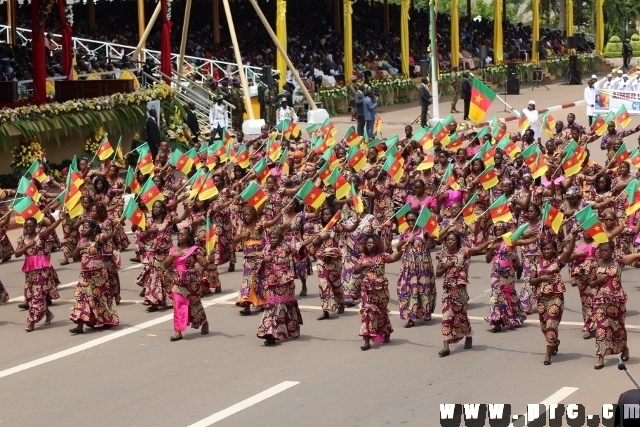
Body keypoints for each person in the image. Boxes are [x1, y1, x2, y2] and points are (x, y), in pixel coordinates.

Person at [436, 231, 493, 356]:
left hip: (460, 290)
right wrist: (446, 266)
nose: (450, 242)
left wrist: (488, 242)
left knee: (460, 316)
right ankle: (446, 347)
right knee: (446, 317)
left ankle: (468, 335)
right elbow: (438, 273)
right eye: (448, 240)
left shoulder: (464, 252)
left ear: (457, 241)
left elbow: (477, 248)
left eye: (452, 240)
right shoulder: (442, 255)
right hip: (447, 290)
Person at [588, 242, 640, 369]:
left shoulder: (618, 261)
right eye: (601, 250)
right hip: (601, 301)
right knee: (601, 328)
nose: (603, 253)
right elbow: (591, 283)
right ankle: (601, 357)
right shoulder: (595, 264)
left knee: (618, 328)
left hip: (617, 301)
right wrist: (599, 280)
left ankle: (624, 348)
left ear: (612, 250)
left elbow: (634, 257)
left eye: (606, 250)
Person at [529, 234, 577, 365]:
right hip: (542, 299)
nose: (546, 251)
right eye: (544, 249)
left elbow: (569, 251)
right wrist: (542, 278)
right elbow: (531, 280)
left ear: (554, 250)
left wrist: (573, 238)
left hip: (556, 298)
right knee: (544, 327)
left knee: (551, 325)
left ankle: (547, 355)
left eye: (549, 249)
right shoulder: (537, 263)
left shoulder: (558, 262)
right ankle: (554, 342)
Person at [354, 234, 405, 350]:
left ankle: (385, 331)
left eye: (371, 243)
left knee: (381, 313)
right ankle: (366, 341)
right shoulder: (363, 258)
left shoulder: (382, 256)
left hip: (381, 290)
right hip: (367, 290)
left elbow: (394, 258)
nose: (369, 244)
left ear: (376, 244)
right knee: (367, 312)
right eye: (367, 243)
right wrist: (364, 265)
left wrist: (401, 251)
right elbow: (355, 271)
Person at [69, 219, 119, 334]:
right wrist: (79, 248)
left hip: (98, 274)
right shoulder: (81, 240)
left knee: (100, 298)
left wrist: (115, 229)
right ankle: (79, 326)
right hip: (85, 275)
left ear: (93, 229)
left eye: (87, 227)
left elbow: (107, 236)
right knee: (82, 297)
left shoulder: (99, 237)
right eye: (83, 227)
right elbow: (75, 258)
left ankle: (106, 320)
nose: (84, 229)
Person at [257, 226, 304, 345]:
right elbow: (259, 263)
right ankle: (270, 332)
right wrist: (264, 261)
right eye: (271, 237)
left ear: (281, 238)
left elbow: (299, 251)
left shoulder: (286, 248)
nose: (272, 239)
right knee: (271, 306)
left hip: (284, 281)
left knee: (285, 305)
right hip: (270, 281)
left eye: (275, 237)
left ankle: (291, 329)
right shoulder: (266, 248)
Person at [164, 226, 212, 341]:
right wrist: (172, 256)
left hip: (192, 282)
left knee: (195, 305)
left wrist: (209, 259)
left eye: (183, 234)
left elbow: (203, 263)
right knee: (177, 305)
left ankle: (204, 322)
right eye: (179, 234)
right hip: (177, 282)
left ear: (189, 237)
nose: (180, 236)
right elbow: (165, 265)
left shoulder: (194, 249)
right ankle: (178, 331)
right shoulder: (173, 250)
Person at [15, 216, 63, 332]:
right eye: (26, 226)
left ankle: (31, 322)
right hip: (30, 273)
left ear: (36, 226)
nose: (28, 228)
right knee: (34, 296)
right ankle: (48, 314)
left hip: (42, 272)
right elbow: (17, 253)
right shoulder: (22, 239)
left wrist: (60, 220)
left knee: (37, 296)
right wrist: (28, 245)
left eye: (31, 226)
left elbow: (50, 227)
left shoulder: (41, 235)